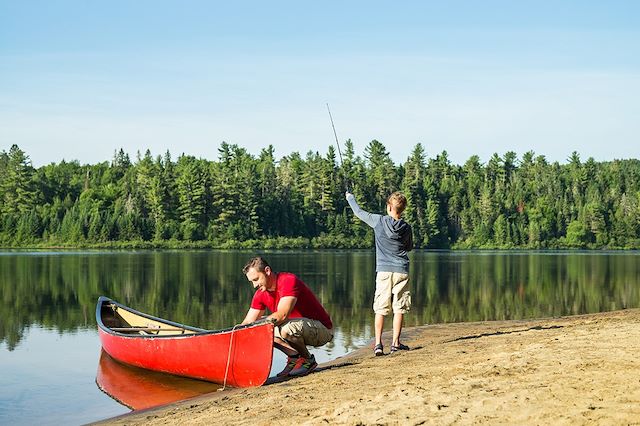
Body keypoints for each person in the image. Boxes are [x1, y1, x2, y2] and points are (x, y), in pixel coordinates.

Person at [241, 256, 333, 377]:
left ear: (267, 271)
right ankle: (294, 358)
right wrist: (233, 338)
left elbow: (282, 315)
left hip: (322, 330)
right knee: (260, 330)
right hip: (299, 327)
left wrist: (257, 326)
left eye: (256, 279)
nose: (254, 285)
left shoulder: (288, 280)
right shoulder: (260, 294)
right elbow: (248, 322)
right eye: (252, 281)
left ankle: (308, 361)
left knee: (283, 329)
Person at [346, 191, 413, 356]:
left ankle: (378, 344)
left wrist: (350, 198)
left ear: (389, 207)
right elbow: (409, 247)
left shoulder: (378, 221)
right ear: (402, 209)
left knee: (380, 308)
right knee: (399, 308)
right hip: (401, 270)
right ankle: (396, 343)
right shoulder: (406, 227)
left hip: (383, 271)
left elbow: (358, 212)